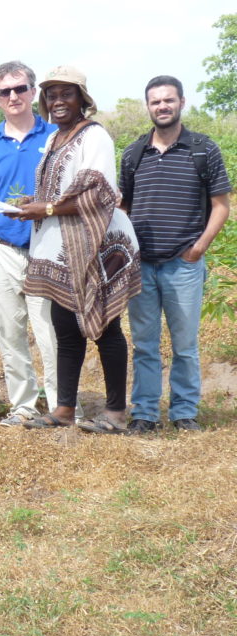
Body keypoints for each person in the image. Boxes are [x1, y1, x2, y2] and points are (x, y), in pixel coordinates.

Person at [12, 67, 141, 432]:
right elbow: (64, 191)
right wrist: (35, 202)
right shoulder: (56, 139)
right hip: (65, 247)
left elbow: (97, 194)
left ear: (82, 99)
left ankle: (115, 412)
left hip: (99, 246)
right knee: (65, 326)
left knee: (104, 326)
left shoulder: (94, 136)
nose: (57, 102)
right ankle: (64, 408)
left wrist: (47, 208)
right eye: (51, 95)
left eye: (66, 94)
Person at [121, 75, 232, 432]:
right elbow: (122, 208)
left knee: (185, 345)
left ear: (182, 102)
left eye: (168, 100)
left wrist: (198, 249)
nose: (162, 107)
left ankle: (184, 412)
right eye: (155, 102)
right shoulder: (134, 153)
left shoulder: (203, 149)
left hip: (183, 265)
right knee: (144, 345)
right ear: (148, 107)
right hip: (142, 267)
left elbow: (221, 206)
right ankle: (145, 413)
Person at [0, 61, 60, 426]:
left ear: (33, 92)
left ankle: (60, 405)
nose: (14, 96)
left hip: (45, 248)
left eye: (20, 88)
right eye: (5, 91)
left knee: (50, 331)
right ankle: (23, 405)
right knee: (8, 331)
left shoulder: (54, 137)